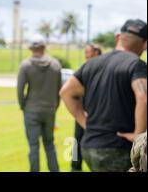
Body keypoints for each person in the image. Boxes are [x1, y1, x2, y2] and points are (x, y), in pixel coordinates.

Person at [61, 19, 147, 172]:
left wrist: (86, 124)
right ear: (144, 43)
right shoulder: (136, 65)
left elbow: (66, 92)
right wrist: (139, 137)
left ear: (118, 38)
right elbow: (144, 98)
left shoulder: (91, 64)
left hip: (90, 147)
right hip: (120, 148)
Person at [17, 41, 62, 172]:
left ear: (32, 49)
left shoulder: (25, 65)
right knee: (49, 144)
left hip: (31, 109)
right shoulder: (55, 65)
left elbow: (20, 90)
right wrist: (55, 106)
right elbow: (59, 89)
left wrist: (23, 105)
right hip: (50, 109)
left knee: (33, 146)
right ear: (44, 48)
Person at [71, 43, 102, 172]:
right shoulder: (84, 69)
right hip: (83, 112)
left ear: (96, 53)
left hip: (100, 113)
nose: (86, 55)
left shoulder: (103, 69)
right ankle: (75, 168)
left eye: (87, 52)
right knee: (77, 140)